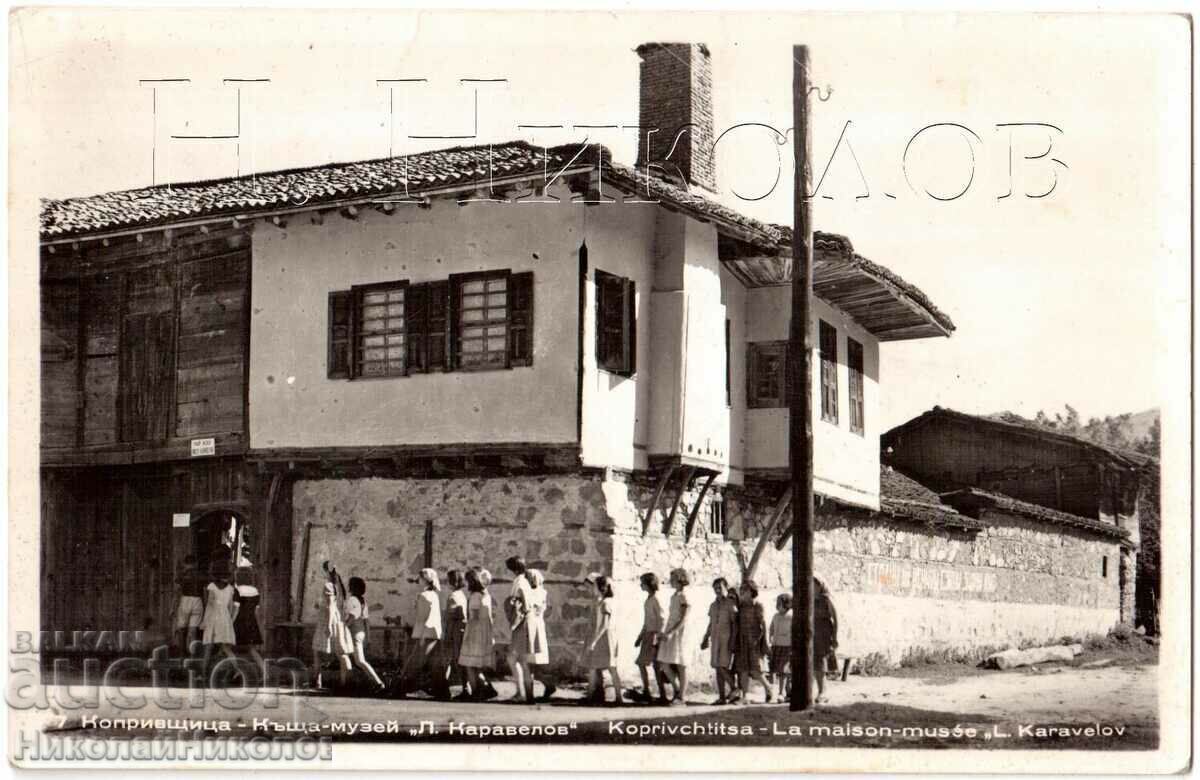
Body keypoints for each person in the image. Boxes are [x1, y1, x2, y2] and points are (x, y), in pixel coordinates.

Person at [395, 568, 449, 699]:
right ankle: (442, 691)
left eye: (420, 578)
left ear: (425, 580)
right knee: (435, 665)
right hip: (434, 633)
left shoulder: (424, 596)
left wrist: (422, 636)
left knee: (414, 662)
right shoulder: (434, 595)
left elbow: (423, 618)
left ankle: (400, 688)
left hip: (425, 633)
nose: (418, 580)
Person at [511, 568, 555, 703]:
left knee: (525, 663)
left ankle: (529, 695)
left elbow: (523, 609)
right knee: (533, 663)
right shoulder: (543, 593)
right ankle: (547, 686)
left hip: (528, 628)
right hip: (538, 628)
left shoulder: (528, 592)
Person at [457, 567, 498, 701]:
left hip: (475, 633)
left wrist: (467, 634)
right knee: (477, 664)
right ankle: (487, 688)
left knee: (469, 664)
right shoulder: (486, 595)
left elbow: (474, 618)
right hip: (484, 632)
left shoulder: (475, 597)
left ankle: (475, 691)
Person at [630, 572, 671, 705]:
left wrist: (658, 636)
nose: (641, 585)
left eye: (642, 583)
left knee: (656, 666)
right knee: (642, 663)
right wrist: (640, 636)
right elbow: (647, 621)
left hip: (654, 635)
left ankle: (662, 694)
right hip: (648, 634)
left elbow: (662, 619)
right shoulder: (648, 599)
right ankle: (647, 691)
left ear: (649, 584)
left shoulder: (656, 599)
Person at [583, 575, 623, 705]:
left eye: (594, 586)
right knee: (601, 668)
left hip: (604, 637)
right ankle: (593, 697)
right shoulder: (607, 602)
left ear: (601, 588)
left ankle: (617, 698)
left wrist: (594, 641)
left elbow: (604, 625)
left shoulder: (606, 603)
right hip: (606, 636)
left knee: (606, 667)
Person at [343, 576, 386, 693]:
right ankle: (352, 683)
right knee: (354, 660)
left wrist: (343, 627)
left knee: (359, 660)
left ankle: (378, 682)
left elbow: (352, 617)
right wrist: (368, 636)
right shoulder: (363, 601)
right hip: (361, 632)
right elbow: (366, 620)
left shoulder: (352, 600)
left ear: (351, 587)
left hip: (353, 631)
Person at [733, 579, 773, 703]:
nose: (741, 591)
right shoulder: (741, 606)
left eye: (744, 589)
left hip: (755, 641)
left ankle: (768, 687)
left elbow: (763, 624)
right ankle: (744, 696)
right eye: (741, 589)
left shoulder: (757, 605)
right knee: (743, 670)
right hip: (742, 641)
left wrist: (765, 641)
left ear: (751, 591)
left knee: (756, 670)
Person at [656, 567, 691, 706]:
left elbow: (683, 618)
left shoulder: (684, 596)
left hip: (680, 632)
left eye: (673, 579)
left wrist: (672, 632)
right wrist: (665, 632)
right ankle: (677, 689)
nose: (670, 581)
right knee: (664, 662)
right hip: (670, 630)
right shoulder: (674, 596)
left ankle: (682, 697)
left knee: (681, 664)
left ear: (680, 580)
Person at [700, 577, 738, 704]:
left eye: (720, 588)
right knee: (717, 667)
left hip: (726, 639)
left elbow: (735, 624)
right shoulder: (713, 605)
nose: (717, 590)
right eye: (715, 588)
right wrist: (706, 637)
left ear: (726, 588)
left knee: (722, 666)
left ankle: (735, 688)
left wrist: (733, 640)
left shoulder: (730, 604)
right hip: (715, 639)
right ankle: (722, 697)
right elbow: (711, 623)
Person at [200, 560, 239, 681]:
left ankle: (203, 674)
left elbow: (210, 605)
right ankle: (237, 669)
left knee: (208, 647)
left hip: (213, 617)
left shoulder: (211, 586)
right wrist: (230, 621)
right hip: (225, 617)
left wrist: (204, 621)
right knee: (225, 647)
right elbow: (231, 607)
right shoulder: (231, 589)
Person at [311, 581, 352, 689]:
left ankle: (319, 680)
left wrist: (328, 625)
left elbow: (330, 609)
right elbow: (320, 606)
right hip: (331, 625)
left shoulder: (329, 594)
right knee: (337, 653)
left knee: (321, 653)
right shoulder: (338, 596)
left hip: (328, 625)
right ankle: (343, 682)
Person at [503, 556, 532, 702]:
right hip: (524, 622)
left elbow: (525, 605)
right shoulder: (524, 581)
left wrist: (516, 612)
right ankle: (526, 693)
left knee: (513, 658)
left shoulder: (519, 582)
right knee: (521, 660)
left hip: (521, 623)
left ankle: (521, 693)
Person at [232, 567, 266, 683]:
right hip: (251, 621)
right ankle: (264, 671)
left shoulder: (237, 590)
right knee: (251, 649)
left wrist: (231, 622)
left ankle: (237, 670)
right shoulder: (255, 591)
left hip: (239, 621)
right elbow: (256, 611)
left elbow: (236, 609)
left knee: (229, 646)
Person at [813, 578, 839, 705]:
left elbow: (835, 618)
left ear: (820, 586)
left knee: (821, 662)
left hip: (824, 632)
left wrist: (835, 636)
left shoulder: (826, 599)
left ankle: (823, 692)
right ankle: (818, 691)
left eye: (814, 585)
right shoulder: (810, 599)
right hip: (813, 632)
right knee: (814, 663)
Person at [173, 554, 205, 656]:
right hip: (196, 600)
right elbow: (205, 592)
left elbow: (177, 592)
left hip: (186, 600)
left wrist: (173, 607)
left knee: (183, 630)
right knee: (192, 631)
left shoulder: (182, 575)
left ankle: (183, 656)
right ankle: (191, 656)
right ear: (196, 563)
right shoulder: (199, 575)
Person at [442, 569, 468, 692]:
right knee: (457, 660)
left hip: (454, 631)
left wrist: (447, 634)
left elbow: (452, 617)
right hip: (461, 629)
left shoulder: (453, 596)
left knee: (453, 659)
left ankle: (462, 687)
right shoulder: (461, 595)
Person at [768, 592, 793, 699]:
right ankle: (787, 692)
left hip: (787, 646)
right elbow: (771, 628)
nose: (777, 606)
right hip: (776, 645)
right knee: (777, 670)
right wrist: (770, 637)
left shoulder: (791, 617)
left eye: (779, 603)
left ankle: (781, 693)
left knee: (784, 670)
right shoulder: (775, 616)